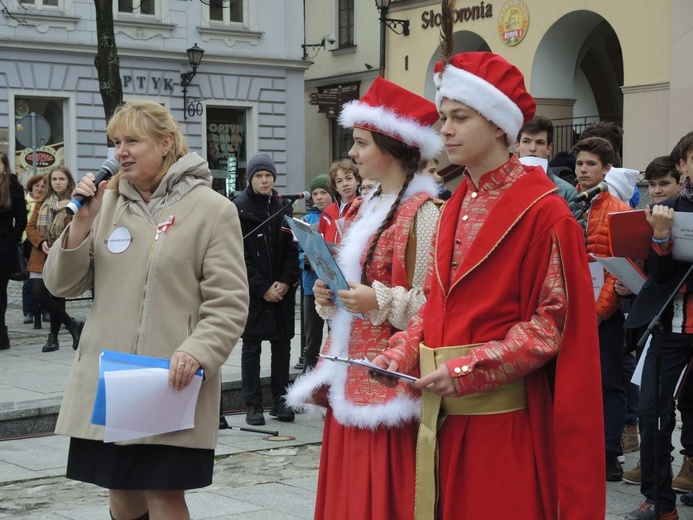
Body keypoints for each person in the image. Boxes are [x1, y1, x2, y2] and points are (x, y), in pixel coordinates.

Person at [373, 47, 605, 518]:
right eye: (443, 117)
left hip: (503, 426)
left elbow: (551, 325)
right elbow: (438, 305)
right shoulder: (454, 202)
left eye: (460, 116)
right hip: (442, 424)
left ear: (499, 124)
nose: (445, 130)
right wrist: (399, 351)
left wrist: (468, 369)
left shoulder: (546, 213)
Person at [42, 99, 249, 520]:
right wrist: (81, 222)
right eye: (116, 142)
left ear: (166, 143)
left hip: (169, 377)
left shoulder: (212, 210)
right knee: (120, 489)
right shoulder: (106, 204)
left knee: (163, 493)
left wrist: (197, 351)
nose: (120, 152)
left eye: (132, 141)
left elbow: (229, 302)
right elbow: (61, 284)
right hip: (113, 374)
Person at [286, 76, 442, 520]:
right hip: (350, 373)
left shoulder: (425, 214)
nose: (352, 154)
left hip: (388, 380)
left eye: (360, 143)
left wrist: (377, 300)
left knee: (380, 495)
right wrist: (331, 295)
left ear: (392, 147)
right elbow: (357, 290)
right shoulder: (368, 206)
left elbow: (435, 304)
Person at [623, 133, 693, 520]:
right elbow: (660, 275)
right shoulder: (666, 210)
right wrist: (662, 236)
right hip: (674, 326)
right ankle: (659, 502)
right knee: (652, 413)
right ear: (682, 165)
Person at [572, 136, 633, 481]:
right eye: (580, 163)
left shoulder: (619, 211)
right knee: (576, 383)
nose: (583, 169)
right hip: (570, 309)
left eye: (591, 164)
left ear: (607, 169)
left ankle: (609, 453)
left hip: (603, 314)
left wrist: (600, 311)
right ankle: (579, 447)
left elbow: (618, 266)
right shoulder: (567, 204)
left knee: (610, 383)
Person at [233, 153, 300, 426]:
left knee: (282, 347)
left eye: (268, 176)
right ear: (250, 178)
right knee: (251, 348)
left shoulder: (283, 206)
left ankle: (281, 400)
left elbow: (292, 248)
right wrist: (261, 288)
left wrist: (285, 281)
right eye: (259, 176)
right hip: (254, 292)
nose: (264, 180)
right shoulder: (239, 207)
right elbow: (238, 254)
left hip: (281, 291)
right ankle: (253, 405)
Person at [25, 166, 84, 352]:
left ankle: (53, 338)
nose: (57, 182)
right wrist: (41, 242)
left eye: (61, 179)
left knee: (58, 295)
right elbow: (30, 227)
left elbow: (78, 229)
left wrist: (59, 244)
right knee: (38, 293)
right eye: (54, 179)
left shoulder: (76, 203)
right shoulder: (43, 202)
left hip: (61, 255)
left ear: (68, 181)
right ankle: (72, 324)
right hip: (40, 255)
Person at [298, 174, 335, 372]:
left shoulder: (336, 216)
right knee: (311, 338)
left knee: (334, 336)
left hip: (333, 288)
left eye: (323, 193)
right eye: (315, 193)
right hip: (310, 286)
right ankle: (308, 377)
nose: (319, 197)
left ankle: (329, 376)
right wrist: (304, 259)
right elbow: (296, 252)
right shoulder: (306, 219)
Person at [515, 115, 581, 218]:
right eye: (526, 141)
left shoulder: (568, 192)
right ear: (517, 145)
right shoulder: (500, 186)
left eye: (540, 143)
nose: (532, 148)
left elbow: (573, 231)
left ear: (549, 148)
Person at [0, 150, 28, 350]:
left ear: (4, 166)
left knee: (0, 292)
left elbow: (21, 219)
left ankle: (2, 337)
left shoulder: (12, 187)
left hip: (3, 247)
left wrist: (11, 240)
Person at [22, 174, 46, 325]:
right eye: (37, 185)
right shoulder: (24, 201)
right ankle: (28, 312)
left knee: (45, 280)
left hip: (40, 243)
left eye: (43, 186)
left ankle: (45, 311)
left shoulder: (46, 202)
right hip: (26, 243)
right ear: (31, 186)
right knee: (27, 281)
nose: (40, 188)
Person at [319, 159, 361, 244]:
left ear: (357, 181)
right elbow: (320, 241)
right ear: (335, 187)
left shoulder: (363, 208)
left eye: (349, 178)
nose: (345, 184)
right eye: (339, 181)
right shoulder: (327, 212)